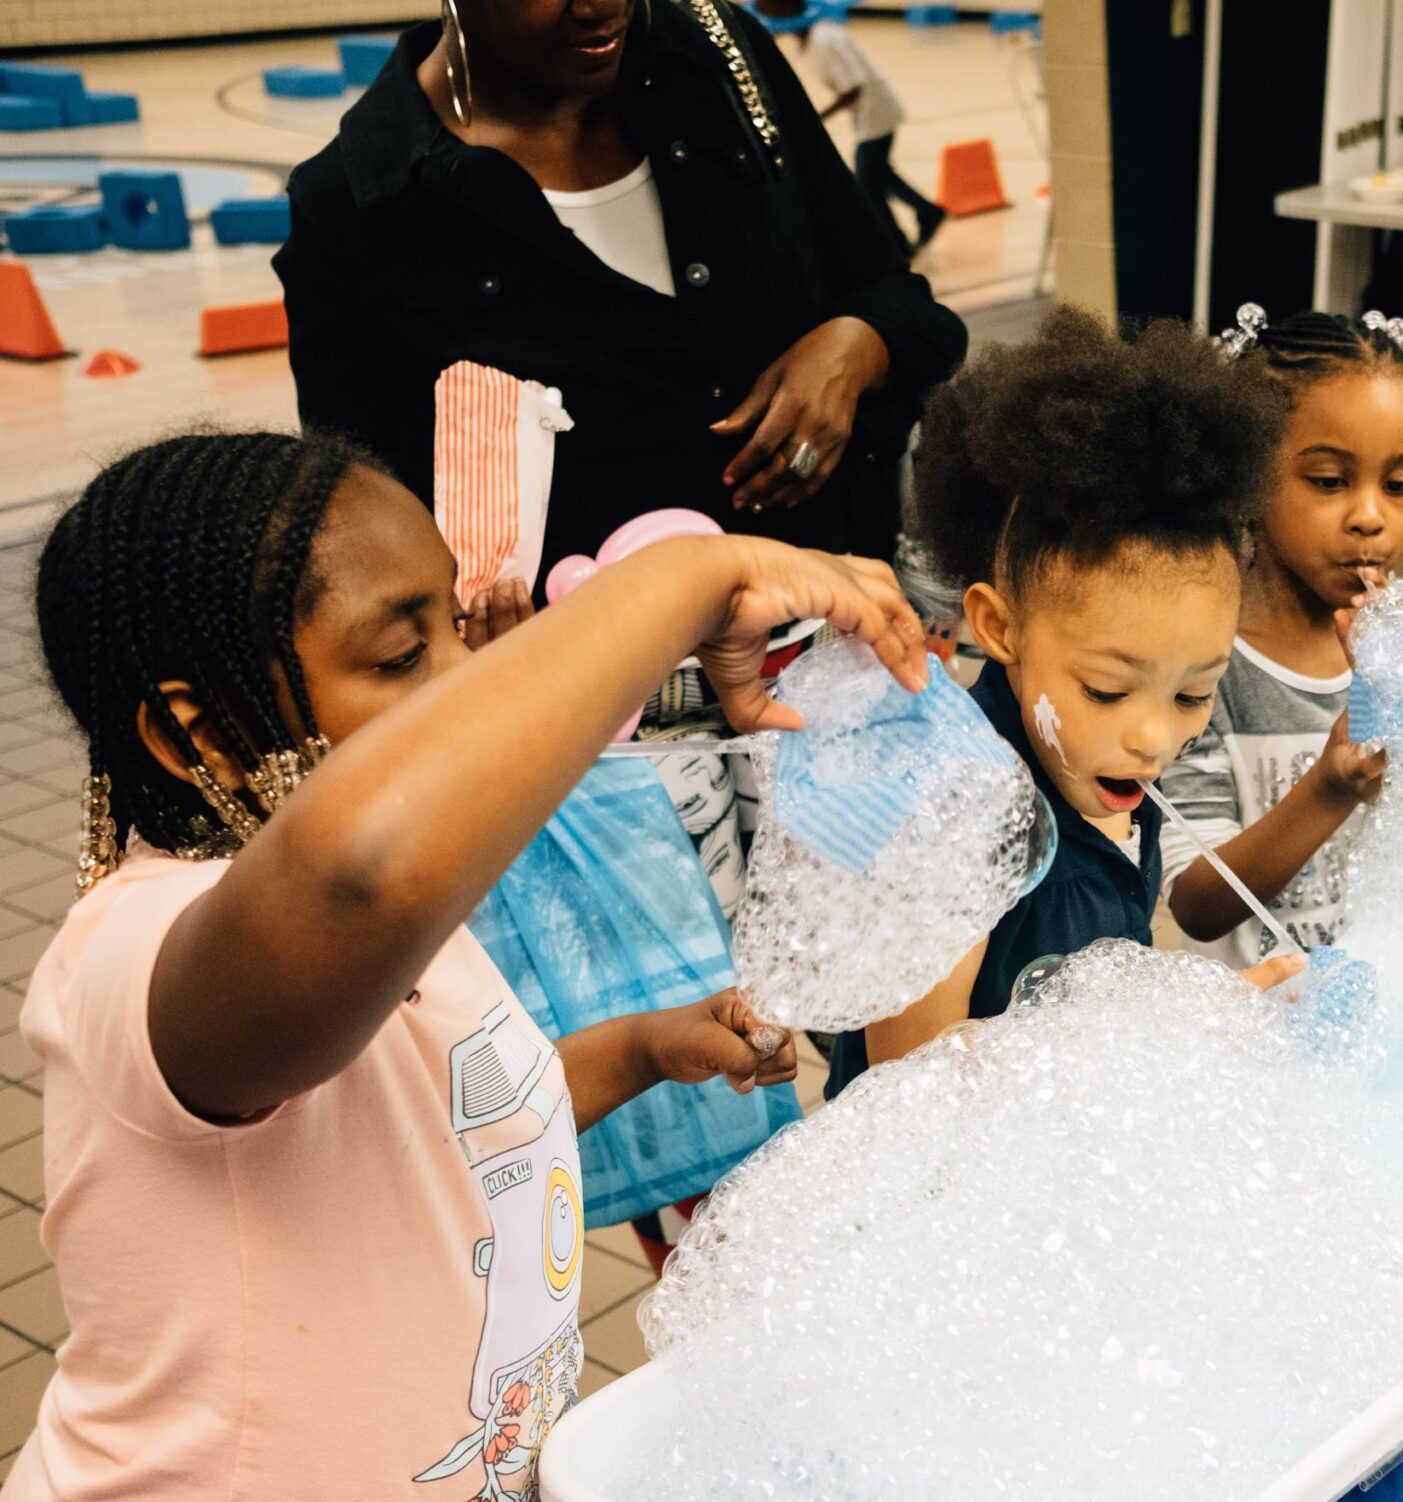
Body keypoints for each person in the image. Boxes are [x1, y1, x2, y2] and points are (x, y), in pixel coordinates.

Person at [0, 428, 923, 1502]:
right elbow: (357, 868)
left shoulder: (394, 941)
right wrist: (679, 585)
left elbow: (437, 1126)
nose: (463, 678)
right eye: (400, 654)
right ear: (196, 733)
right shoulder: (138, 952)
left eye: (458, 629)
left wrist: (644, 1050)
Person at [276, 0, 965, 571]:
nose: (602, 7)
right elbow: (364, 528)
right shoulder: (360, 205)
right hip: (598, 710)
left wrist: (854, 347)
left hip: (832, 654)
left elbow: (901, 301)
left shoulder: (721, 59)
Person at [823, 307, 1300, 1098]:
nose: (1154, 737)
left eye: (1193, 693)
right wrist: (1151, 1041)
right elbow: (907, 1075)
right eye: (1106, 689)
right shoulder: (959, 816)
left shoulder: (1099, 775)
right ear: (999, 626)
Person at [1159, 307, 1403, 968]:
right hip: (1259, 1027)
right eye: (1329, 482)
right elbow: (1197, 905)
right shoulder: (1205, 669)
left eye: (1399, 485)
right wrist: (1329, 790)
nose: (1372, 517)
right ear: (1247, 475)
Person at [758, 0, 945, 256]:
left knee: (868, 185)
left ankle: (895, 245)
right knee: (880, 175)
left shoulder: (824, 40)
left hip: (875, 114)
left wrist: (817, 118)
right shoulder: (811, 38)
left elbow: (852, 89)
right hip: (867, 116)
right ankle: (928, 211)